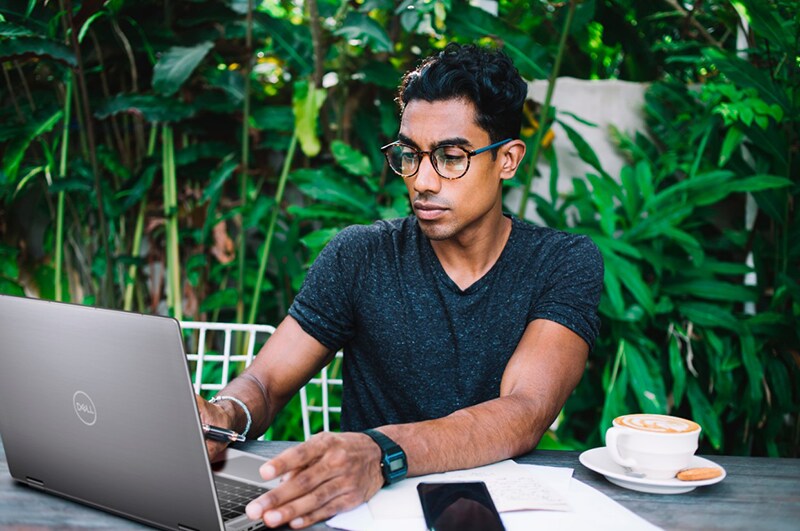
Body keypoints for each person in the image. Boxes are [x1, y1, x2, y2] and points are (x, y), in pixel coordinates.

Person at [197, 42, 603, 529]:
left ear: (508, 159)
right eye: (410, 155)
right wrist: (226, 415)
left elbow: (527, 408)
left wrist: (380, 451)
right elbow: (265, 381)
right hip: (363, 515)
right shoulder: (359, 255)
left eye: (451, 157)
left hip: (493, 514)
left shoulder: (562, 262)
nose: (422, 181)